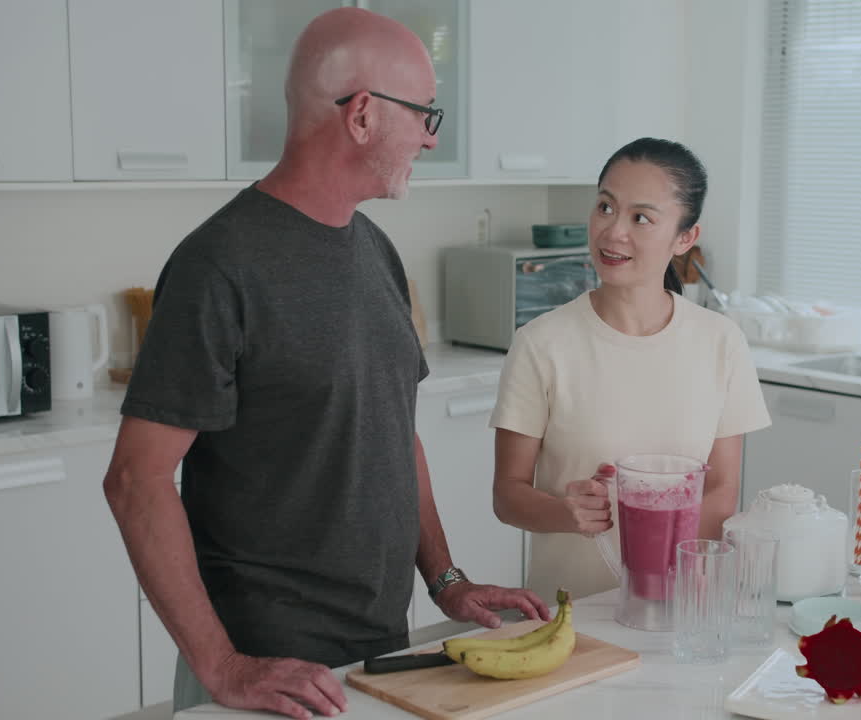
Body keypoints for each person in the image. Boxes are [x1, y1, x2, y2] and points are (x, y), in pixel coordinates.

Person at [102, 8, 547, 719]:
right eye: (425, 114)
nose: (433, 138)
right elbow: (135, 480)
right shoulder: (219, 265)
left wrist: (446, 580)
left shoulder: (374, 249)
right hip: (270, 673)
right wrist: (221, 666)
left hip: (379, 647)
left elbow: (393, 430)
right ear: (363, 115)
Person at [489, 138, 772, 602]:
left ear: (684, 238)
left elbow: (722, 488)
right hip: (570, 618)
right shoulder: (541, 344)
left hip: (681, 607)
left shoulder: (721, 342)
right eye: (605, 207)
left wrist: (666, 584)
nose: (612, 232)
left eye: (640, 218)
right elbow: (508, 494)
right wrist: (567, 511)